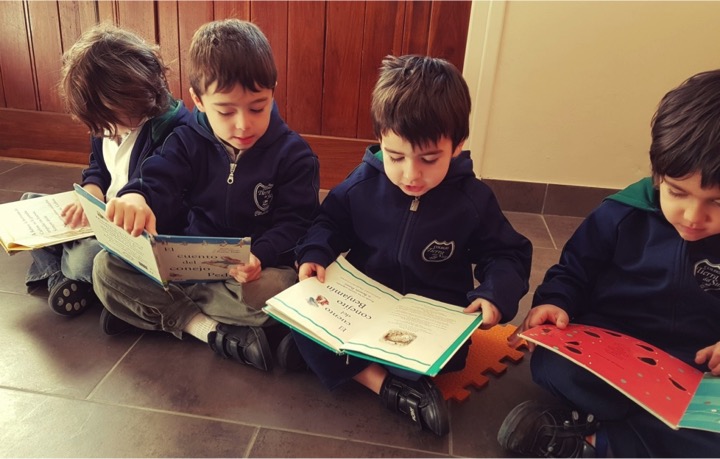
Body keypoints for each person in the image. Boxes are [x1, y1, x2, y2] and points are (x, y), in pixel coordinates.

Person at [277, 55, 533, 436]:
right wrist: (315, 254)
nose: (411, 175)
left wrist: (494, 295)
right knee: (296, 310)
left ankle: (340, 363)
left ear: (457, 145)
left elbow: (507, 253)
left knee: (424, 363)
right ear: (380, 138)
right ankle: (385, 386)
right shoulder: (363, 182)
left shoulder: (473, 200)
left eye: (429, 159)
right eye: (396, 157)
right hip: (362, 303)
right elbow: (329, 222)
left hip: (429, 315)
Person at [497, 70, 720, 457]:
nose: (691, 215)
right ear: (657, 174)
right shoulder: (620, 215)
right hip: (613, 353)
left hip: (694, 368)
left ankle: (590, 442)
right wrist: (555, 303)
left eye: (717, 202)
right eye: (677, 192)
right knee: (552, 364)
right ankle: (648, 433)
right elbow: (573, 271)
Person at [91, 19, 320, 372]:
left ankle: (157, 313)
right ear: (198, 100)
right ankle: (208, 329)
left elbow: (298, 223)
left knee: (286, 289)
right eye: (226, 111)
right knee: (106, 268)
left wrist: (260, 254)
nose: (243, 124)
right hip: (189, 265)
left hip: (251, 275)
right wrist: (137, 197)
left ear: (273, 91)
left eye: (257, 107)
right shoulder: (185, 140)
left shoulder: (294, 155)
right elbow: (157, 178)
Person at [24, 23, 190, 317]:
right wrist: (90, 190)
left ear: (135, 95)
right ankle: (61, 277)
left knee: (85, 261)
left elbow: (158, 188)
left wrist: (122, 208)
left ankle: (65, 275)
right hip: (101, 214)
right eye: (98, 125)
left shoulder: (172, 130)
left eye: (109, 119)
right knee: (28, 205)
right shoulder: (106, 123)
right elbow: (97, 166)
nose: (103, 132)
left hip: (134, 233)